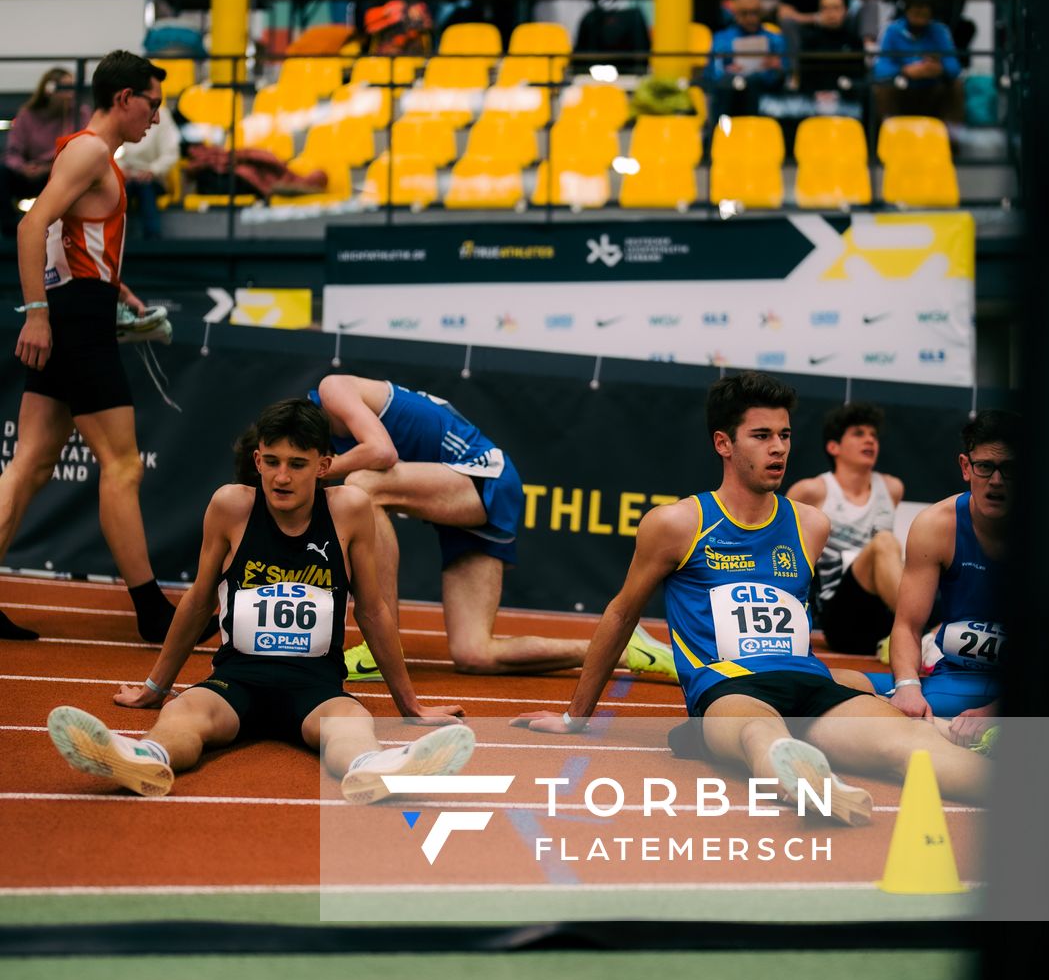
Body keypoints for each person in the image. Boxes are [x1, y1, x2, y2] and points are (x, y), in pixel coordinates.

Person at [515, 374, 991, 816]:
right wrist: (576, 718)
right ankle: (814, 787)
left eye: (784, 435)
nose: (778, 448)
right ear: (724, 443)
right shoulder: (677, 524)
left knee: (910, 744)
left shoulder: (810, 525)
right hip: (728, 687)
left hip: (808, 685)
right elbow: (621, 615)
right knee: (759, 732)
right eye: (761, 436)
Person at [45, 397, 473, 802]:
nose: (281, 477)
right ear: (257, 461)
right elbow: (197, 602)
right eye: (271, 462)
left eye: (297, 465)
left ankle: (376, 769)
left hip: (316, 689)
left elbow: (372, 610)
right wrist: (155, 688)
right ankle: (142, 759)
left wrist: (409, 704)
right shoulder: (231, 506)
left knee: (351, 726)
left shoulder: (349, 510)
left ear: (323, 466)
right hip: (237, 681)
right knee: (184, 712)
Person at [306, 373, 678, 683]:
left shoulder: (331, 390)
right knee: (475, 653)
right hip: (462, 492)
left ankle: (379, 646)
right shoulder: (329, 447)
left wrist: (318, 472)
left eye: (292, 463)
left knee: (361, 488)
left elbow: (382, 452)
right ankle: (625, 649)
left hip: (483, 476)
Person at [1, 50, 177, 644]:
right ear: (125, 98)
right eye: (152, 104)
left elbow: (64, 233)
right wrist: (39, 314)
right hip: (72, 321)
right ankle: (153, 610)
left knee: (31, 463)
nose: (156, 117)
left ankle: (151, 608)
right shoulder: (91, 150)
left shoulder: (85, 150)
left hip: (79, 308)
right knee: (122, 465)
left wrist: (116, 290)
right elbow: (31, 226)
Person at [884, 409, 1016, 748]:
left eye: (1010, 469)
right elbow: (907, 627)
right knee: (857, 706)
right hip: (956, 678)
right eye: (985, 466)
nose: (996, 481)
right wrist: (908, 689)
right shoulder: (935, 525)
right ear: (965, 466)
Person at [789, 401, 905, 655]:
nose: (869, 441)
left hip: (882, 614)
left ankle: (910, 632)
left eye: (873, 435)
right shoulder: (812, 490)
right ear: (834, 447)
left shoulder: (892, 488)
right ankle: (919, 634)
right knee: (884, 542)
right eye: (858, 434)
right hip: (841, 619)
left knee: (888, 546)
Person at [871, 0, 965, 123]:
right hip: (903, 87)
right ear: (907, 11)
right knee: (881, 89)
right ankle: (889, 133)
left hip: (931, 88)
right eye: (915, 13)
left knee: (956, 86)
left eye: (924, 14)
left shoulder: (940, 31)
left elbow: (955, 67)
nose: (919, 19)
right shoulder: (892, 31)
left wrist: (940, 69)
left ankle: (952, 139)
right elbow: (879, 69)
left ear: (931, 14)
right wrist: (905, 70)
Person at [3, 69, 81, 234]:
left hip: (57, 172)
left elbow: (78, 149)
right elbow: (12, 151)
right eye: (64, 89)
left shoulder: (79, 114)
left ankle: (63, 230)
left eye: (72, 88)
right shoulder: (27, 115)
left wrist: (47, 167)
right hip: (28, 173)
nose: (70, 94)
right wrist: (23, 168)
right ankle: (10, 229)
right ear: (49, 91)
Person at [704, 0, 790, 121]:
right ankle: (719, 135)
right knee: (730, 83)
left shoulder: (775, 39)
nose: (751, 18)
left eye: (755, 13)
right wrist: (728, 71)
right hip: (730, 89)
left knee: (753, 82)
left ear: (761, 13)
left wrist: (776, 67)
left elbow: (787, 71)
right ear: (736, 14)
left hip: (763, 87)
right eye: (745, 13)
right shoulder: (722, 38)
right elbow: (713, 72)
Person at [115, 95, 181, 239]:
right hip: (127, 178)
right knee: (120, 189)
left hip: (154, 180)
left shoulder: (163, 117)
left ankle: (152, 239)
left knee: (145, 187)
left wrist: (152, 170)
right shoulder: (124, 115)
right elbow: (114, 150)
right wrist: (121, 169)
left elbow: (171, 154)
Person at [795, 0, 870, 103]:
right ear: (819, 12)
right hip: (813, 103)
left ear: (845, 10)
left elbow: (859, 77)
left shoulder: (854, 40)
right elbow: (804, 80)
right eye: (825, 8)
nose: (831, 13)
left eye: (836, 8)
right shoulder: (809, 40)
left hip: (848, 102)